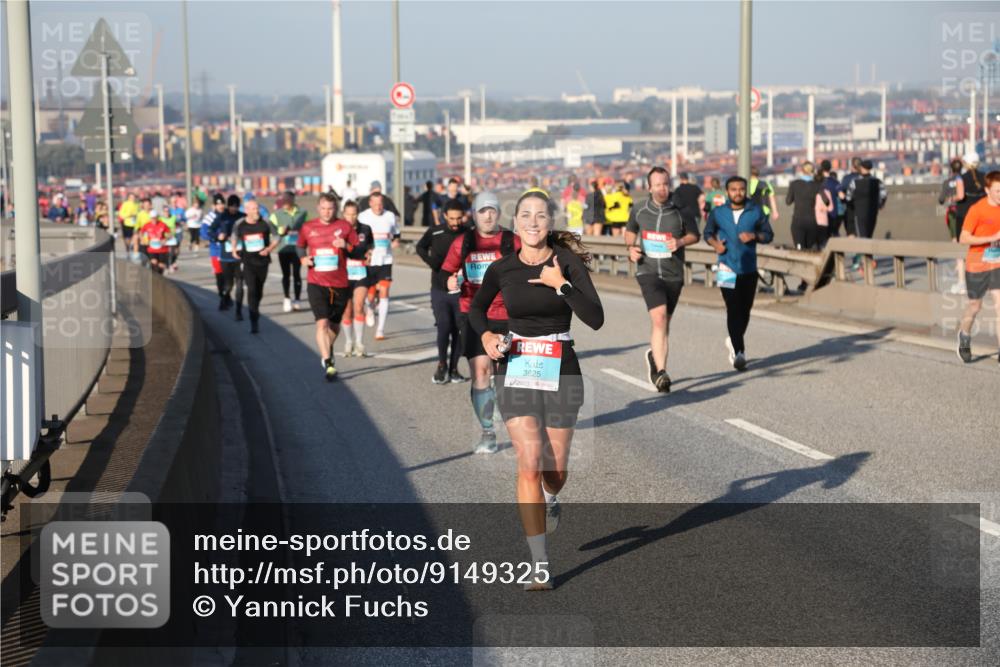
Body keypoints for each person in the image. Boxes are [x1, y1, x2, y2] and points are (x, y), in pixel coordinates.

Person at [470, 188, 604, 591]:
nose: (532, 222)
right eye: (525, 215)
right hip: (517, 369)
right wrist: (487, 338)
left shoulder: (567, 263)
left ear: (550, 222)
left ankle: (551, 494)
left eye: (540, 216)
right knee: (528, 463)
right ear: (516, 221)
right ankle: (540, 564)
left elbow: (595, 318)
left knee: (554, 470)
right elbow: (478, 309)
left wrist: (561, 284)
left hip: (561, 368)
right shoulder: (502, 269)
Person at [442, 193, 521, 452]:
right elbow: (447, 272)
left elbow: (532, 265)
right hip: (475, 315)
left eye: (492, 210)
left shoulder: (513, 241)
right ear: (474, 215)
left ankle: (498, 404)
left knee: (504, 377)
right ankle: (488, 432)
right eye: (482, 211)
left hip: (510, 316)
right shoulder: (463, 242)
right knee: (481, 372)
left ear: (499, 213)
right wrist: (450, 281)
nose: (488, 215)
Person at [624, 167, 700, 392]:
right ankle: (662, 374)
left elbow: (695, 235)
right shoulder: (639, 209)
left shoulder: (681, 210)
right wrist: (631, 248)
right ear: (649, 187)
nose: (662, 188)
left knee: (665, 322)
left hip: (673, 273)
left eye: (665, 184)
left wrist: (679, 242)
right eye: (657, 184)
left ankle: (654, 361)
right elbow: (630, 231)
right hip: (647, 271)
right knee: (658, 319)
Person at [704, 176, 775, 370]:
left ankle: (733, 339)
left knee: (745, 310)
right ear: (727, 192)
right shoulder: (719, 212)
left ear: (746, 191)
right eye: (733, 189)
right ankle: (739, 351)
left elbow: (769, 235)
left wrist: (754, 235)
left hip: (749, 268)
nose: (738, 193)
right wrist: (716, 245)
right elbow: (707, 233)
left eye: (741, 189)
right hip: (726, 267)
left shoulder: (755, 211)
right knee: (733, 307)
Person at [296, 192, 364, 380]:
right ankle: (327, 361)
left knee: (334, 326)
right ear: (318, 208)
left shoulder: (344, 226)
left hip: (340, 283)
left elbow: (359, 252)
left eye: (330, 209)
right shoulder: (308, 227)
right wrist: (303, 258)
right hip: (316, 282)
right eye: (323, 208)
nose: (327, 212)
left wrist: (346, 246)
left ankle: (328, 349)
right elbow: (300, 245)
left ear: (336, 209)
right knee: (322, 323)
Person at [416, 199, 468, 384]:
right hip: (439, 289)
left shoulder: (469, 233)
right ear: (445, 216)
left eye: (459, 218)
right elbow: (420, 247)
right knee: (444, 327)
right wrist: (432, 263)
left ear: (464, 216)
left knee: (459, 331)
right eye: (452, 218)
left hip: (463, 291)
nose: (455, 223)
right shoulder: (435, 232)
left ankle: (454, 369)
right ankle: (441, 365)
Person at [956, 170, 1000, 365]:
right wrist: (991, 238)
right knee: (975, 306)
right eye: (998, 191)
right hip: (976, 264)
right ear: (987, 190)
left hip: (997, 263)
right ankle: (964, 335)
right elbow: (963, 238)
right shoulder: (977, 209)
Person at [231, 199, 280, 334]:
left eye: (257, 208)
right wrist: (234, 249)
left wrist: (269, 249)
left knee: (259, 291)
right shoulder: (239, 224)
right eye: (253, 209)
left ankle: (255, 308)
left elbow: (277, 237)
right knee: (251, 290)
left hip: (262, 262)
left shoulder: (266, 222)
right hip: (247, 262)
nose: (256, 211)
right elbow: (234, 235)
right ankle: (254, 320)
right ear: (246, 211)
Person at [358, 192, 401, 340]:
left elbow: (396, 233)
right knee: (369, 294)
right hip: (369, 261)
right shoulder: (363, 216)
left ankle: (380, 330)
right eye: (375, 204)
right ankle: (369, 308)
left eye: (380, 203)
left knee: (384, 291)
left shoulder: (390, 216)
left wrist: (396, 241)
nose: (378, 207)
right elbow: (357, 236)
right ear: (370, 203)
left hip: (385, 260)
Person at [338, 200, 374, 357]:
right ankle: (348, 341)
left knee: (359, 305)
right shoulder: (337, 229)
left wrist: (370, 253)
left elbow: (370, 246)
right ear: (343, 214)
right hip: (343, 274)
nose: (351, 217)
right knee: (347, 310)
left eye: (354, 214)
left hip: (360, 272)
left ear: (358, 214)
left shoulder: (365, 229)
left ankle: (359, 343)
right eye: (348, 214)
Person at [953, 152, 987, 294]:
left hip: (964, 216)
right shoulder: (985, 177)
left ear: (965, 164)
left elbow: (960, 196)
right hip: (982, 216)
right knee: (981, 248)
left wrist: (952, 198)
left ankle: (962, 283)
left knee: (962, 250)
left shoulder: (961, 178)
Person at [270, 191, 308, 312]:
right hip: (283, 249)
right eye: (283, 200)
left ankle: (297, 299)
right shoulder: (276, 214)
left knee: (297, 274)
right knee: (286, 275)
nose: (285, 202)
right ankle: (287, 298)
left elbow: (309, 227)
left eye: (287, 200)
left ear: (293, 200)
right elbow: (272, 229)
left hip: (298, 249)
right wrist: (281, 231)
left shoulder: (303, 213)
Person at [209, 195, 246, 318]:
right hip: (225, 255)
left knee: (240, 283)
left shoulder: (242, 217)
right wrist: (218, 236)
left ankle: (239, 311)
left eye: (236, 206)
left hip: (240, 255)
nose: (234, 208)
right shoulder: (222, 216)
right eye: (232, 206)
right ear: (228, 205)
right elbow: (210, 230)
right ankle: (224, 298)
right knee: (228, 284)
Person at [785, 161, 828, 252]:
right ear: (812, 171)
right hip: (812, 222)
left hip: (798, 221)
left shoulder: (794, 184)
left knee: (799, 248)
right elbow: (826, 201)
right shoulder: (817, 185)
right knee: (809, 250)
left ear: (802, 170)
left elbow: (788, 202)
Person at [844, 159, 886, 241]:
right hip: (872, 211)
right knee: (869, 234)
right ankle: (868, 253)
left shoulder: (855, 182)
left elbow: (848, 197)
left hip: (859, 212)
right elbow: (883, 195)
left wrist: (851, 206)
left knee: (861, 234)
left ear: (862, 168)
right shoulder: (877, 181)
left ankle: (863, 252)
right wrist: (880, 205)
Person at [200, 194, 227, 304]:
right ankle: (222, 295)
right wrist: (216, 236)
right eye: (218, 204)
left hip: (227, 250)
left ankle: (226, 294)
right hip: (215, 250)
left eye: (222, 204)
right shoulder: (209, 217)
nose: (220, 206)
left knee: (228, 275)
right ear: (214, 206)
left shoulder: (227, 215)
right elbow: (203, 233)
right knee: (219, 274)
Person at [134, 206, 170, 274]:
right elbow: (141, 232)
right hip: (151, 248)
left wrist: (165, 239)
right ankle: (154, 277)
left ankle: (160, 275)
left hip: (162, 248)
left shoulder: (162, 225)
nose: (154, 219)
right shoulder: (147, 225)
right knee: (153, 262)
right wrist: (143, 239)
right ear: (150, 218)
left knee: (161, 265)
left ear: (157, 217)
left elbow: (169, 233)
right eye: (152, 218)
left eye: (155, 218)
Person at [839, 157, 863, 239]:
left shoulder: (847, 179)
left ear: (852, 166)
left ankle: (852, 250)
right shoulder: (864, 178)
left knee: (851, 232)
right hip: (863, 209)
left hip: (850, 209)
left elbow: (840, 193)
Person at [820, 160, 843, 239]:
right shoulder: (835, 182)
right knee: (832, 235)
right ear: (830, 168)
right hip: (833, 213)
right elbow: (842, 196)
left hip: (820, 213)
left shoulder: (818, 181)